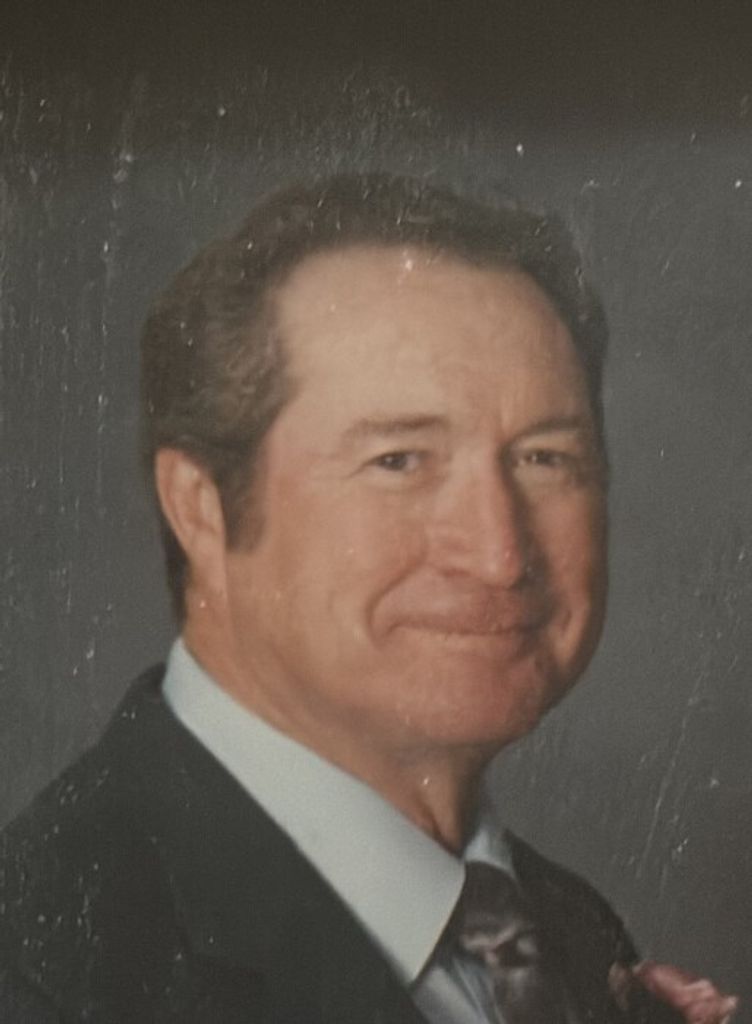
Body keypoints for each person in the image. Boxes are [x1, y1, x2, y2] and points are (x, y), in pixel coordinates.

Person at [0, 174, 737, 1023]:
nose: (499, 555)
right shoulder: (43, 972)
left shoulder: (567, 929)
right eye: (398, 461)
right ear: (200, 508)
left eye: (544, 458)